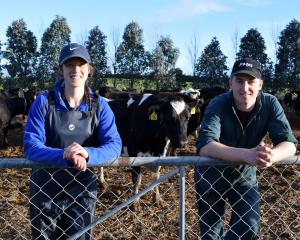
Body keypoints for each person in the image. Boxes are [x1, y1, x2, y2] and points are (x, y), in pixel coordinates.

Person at [24, 43, 122, 240]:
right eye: (69, 64)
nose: (75, 70)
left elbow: (114, 145)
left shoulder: (100, 106)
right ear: (61, 69)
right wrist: (63, 154)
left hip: (82, 191)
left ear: (89, 70)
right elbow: (31, 146)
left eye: (81, 64)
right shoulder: (44, 102)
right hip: (45, 191)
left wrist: (88, 153)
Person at [195, 57, 297, 240]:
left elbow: (289, 144)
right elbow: (205, 145)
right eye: (239, 81)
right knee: (211, 233)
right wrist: (247, 155)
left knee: (249, 227)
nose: (245, 88)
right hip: (211, 175)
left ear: (260, 84)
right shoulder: (218, 103)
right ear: (231, 83)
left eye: (251, 82)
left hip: (244, 177)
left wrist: (272, 155)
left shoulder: (270, 104)